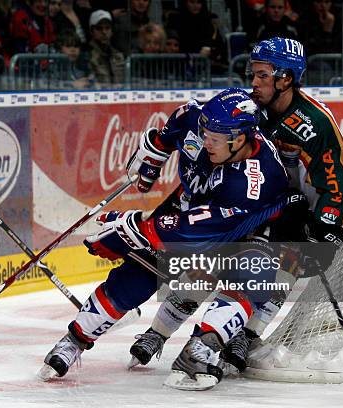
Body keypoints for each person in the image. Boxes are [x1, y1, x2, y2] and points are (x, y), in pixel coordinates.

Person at [128, 37, 343, 382]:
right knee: (207, 265)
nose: (254, 83)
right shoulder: (246, 108)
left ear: (286, 78)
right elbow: (206, 139)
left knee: (274, 276)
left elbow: (336, 185)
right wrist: (164, 155)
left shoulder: (315, 123)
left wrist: (326, 227)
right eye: (253, 74)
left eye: (263, 76)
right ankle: (158, 333)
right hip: (244, 204)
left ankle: (243, 337)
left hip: (294, 214)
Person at [38, 88, 289, 385]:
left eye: (215, 139)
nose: (205, 141)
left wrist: (130, 228)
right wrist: (155, 152)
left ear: (241, 138)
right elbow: (176, 126)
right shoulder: (198, 119)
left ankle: (201, 349)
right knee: (136, 278)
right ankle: (73, 340)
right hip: (191, 207)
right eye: (204, 133)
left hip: (241, 229)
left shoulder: (254, 182)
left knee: (252, 277)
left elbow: (189, 231)